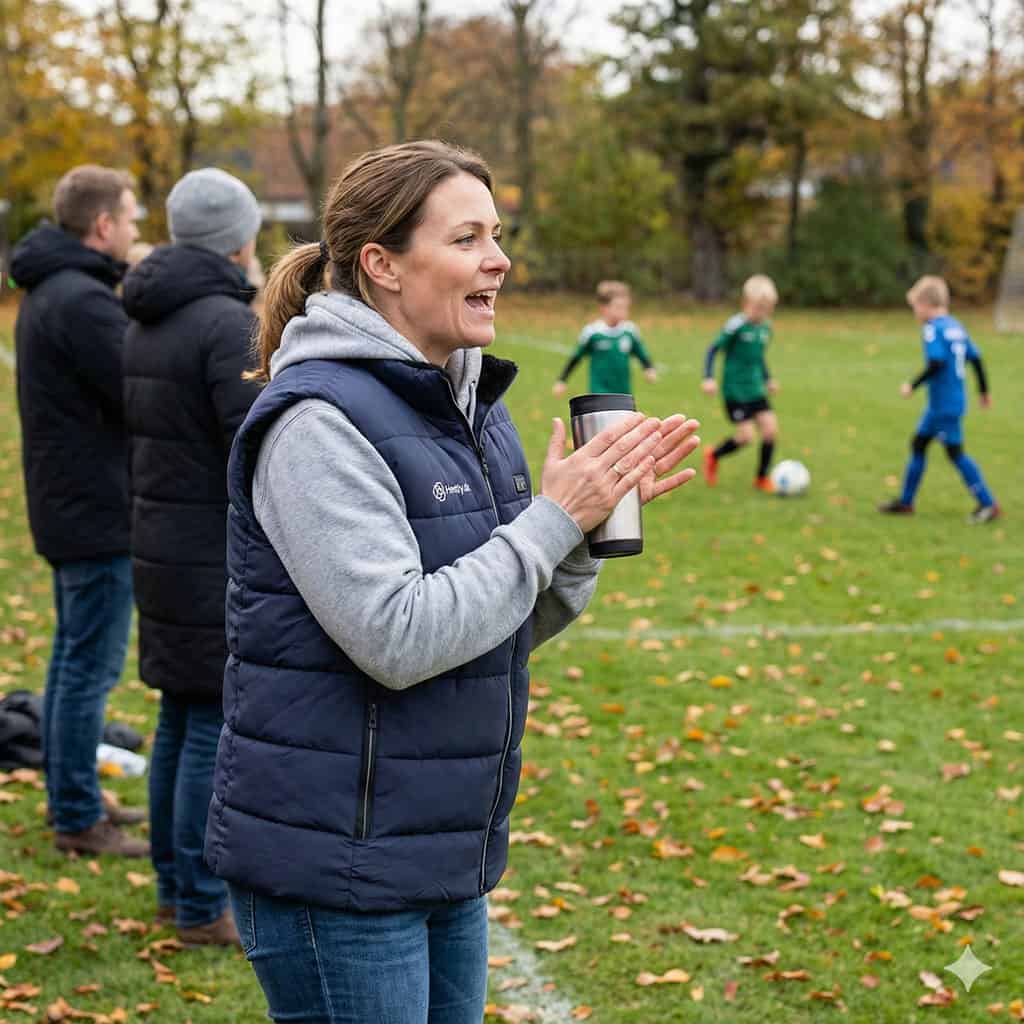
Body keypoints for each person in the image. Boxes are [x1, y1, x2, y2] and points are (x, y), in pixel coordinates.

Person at [204, 140, 701, 1024]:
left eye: (497, 235)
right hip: (339, 864)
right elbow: (398, 637)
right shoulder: (317, 422)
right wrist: (552, 519)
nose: (498, 259)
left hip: (441, 846)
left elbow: (494, 622)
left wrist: (579, 536)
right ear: (383, 264)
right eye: (467, 238)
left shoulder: (470, 407)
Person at [122, 168, 262, 946]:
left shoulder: (149, 315)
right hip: (209, 551)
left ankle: (175, 891)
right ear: (238, 239)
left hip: (163, 543)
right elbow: (255, 442)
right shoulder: (225, 322)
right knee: (207, 722)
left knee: (179, 718)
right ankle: (202, 904)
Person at [11, 165, 147, 858]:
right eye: (131, 217)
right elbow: (139, 388)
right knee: (87, 669)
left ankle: (77, 796)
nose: (135, 229)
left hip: (70, 504)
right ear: (102, 225)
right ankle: (77, 815)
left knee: (72, 663)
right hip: (94, 511)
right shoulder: (82, 300)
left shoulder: (55, 289)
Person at [878, 275, 999, 522]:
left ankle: (988, 504)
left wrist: (912, 385)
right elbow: (976, 359)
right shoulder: (956, 326)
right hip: (946, 403)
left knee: (955, 453)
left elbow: (937, 362)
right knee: (919, 444)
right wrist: (984, 392)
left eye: (915, 307)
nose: (915, 313)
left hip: (944, 405)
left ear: (925, 304)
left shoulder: (932, 328)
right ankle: (906, 502)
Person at [701, 274, 780, 492]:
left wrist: (767, 379)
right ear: (746, 303)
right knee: (746, 436)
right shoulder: (736, 325)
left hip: (756, 389)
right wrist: (708, 378)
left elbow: (758, 356)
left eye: (767, 309)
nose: (761, 314)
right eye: (758, 308)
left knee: (770, 430)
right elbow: (713, 349)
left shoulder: (766, 328)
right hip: (735, 391)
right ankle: (713, 455)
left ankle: (761, 478)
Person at [552, 280, 656, 396]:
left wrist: (649, 368)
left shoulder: (630, 330)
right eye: (619, 307)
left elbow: (641, 353)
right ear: (603, 308)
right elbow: (576, 358)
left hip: (624, 394)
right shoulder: (592, 332)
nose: (624, 311)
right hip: (599, 393)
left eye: (626, 307)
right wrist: (562, 380)